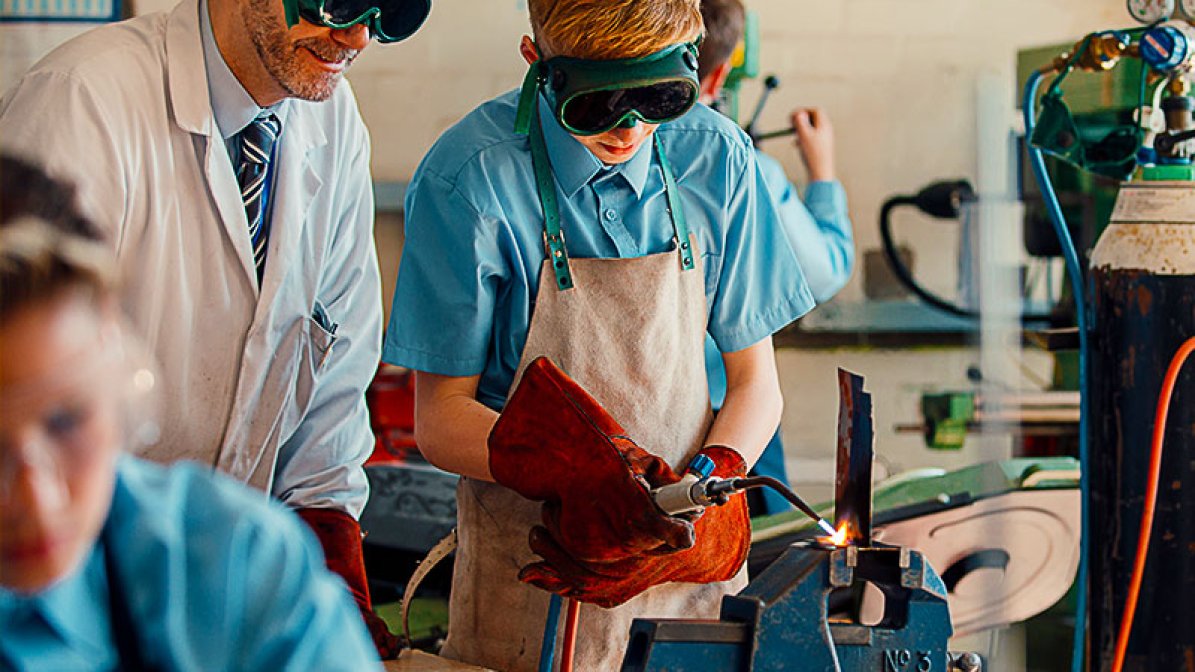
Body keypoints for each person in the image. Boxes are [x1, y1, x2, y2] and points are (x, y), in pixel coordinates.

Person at [382, 0, 815, 669]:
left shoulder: (718, 157)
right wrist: (568, 473)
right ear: (538, 65)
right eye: (596, 106)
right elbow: (438, 419)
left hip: (685, 574)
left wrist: (715, 478)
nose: (629, 129)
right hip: (536, 575)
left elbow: (756, 385)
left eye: (656, 100)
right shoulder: (469, 179)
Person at [0, 0, 431, 656]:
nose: (358, 37)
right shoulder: (82, 102)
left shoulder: (333, 123)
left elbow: (336, 375)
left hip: (226, 580)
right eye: (336, 2)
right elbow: (29, 377)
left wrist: (330, 555)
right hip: (68, 567)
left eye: (387, 11)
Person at [0, 154, 382, 671]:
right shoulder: (82, 96)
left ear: (119, 377)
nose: (36, 499)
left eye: (67, 420)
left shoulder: (231, 564)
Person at [696, 0, 855, 516]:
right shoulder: (746, 169)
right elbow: (825, 271)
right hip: (728, 422)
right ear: (721, 72)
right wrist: (824, 171)